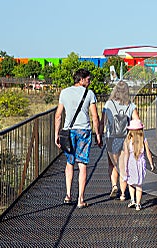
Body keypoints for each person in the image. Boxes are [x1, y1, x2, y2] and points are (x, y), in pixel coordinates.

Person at [54, 68, 102, 209]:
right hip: (84, 131)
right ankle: (81, 199)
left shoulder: (64, 92)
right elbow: (95, 116)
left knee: (70, 163)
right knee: (82, 164)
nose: (90, 81)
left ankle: (68, 195)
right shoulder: (90, 94)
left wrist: (57, 134)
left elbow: (58, 115)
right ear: (81, 80)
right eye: (88, 79)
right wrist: (98, 134)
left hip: (68, 131)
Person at [100, 80, 139, 201]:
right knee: (123, 165)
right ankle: (123, 194)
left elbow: (103, 122)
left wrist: (99, 135)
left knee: (112, 164)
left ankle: (114, 185)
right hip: (125, 139)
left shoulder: (108, 104)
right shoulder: (130, 105)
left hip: (111, 138)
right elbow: (137, 122)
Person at [123, 119, 154, 211]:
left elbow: (126, 154)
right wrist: (151, 163)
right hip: (140, 163)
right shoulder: (143, 139)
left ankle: (132, 200)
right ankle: (138, 204)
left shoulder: (128, 140)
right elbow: (148, 153)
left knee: (131, 182)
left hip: (131, 164)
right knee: (139, 185)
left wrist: (125, 167)